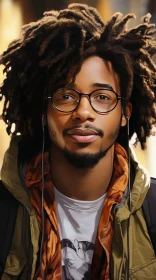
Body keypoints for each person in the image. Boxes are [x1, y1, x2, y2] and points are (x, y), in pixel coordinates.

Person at [0, 3, 156, 280]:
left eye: (102, 97)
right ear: (44, 112)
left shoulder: (153, 209)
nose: (83, 112)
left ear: (124, 114)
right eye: (66, 96)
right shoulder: (5, 212)